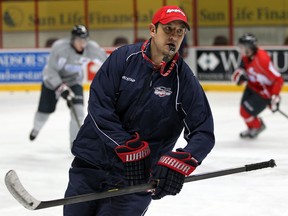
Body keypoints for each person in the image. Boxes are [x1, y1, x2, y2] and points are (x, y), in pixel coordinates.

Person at [64, 6, 215, 216]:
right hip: (91, 165)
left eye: (180, 32)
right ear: (153, 30)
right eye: (169, 29)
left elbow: (203, 132)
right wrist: (126, 145)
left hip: (135, 178)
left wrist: (181, 160)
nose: (174, 36)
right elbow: (99, 105)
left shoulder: (185, 81)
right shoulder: (123, 58)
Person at [29, 25, 108, 147]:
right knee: (44, 112)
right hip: (52, 82)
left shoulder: (92, 49)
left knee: (78, 112)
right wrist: (60, 87)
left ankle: (74, 143)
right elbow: (51, 71)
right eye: (79, 40)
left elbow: (108, 62)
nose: (82, 43)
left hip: (74, 81)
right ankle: (36, 128)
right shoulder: (60, 48)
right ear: (72, 39)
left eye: (84, 40)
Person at [232, 33, 284, 138]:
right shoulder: (246, 55)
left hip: (263, 93)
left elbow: (278, 79)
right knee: (243, 112)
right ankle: (252, 128)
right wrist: (240, 78)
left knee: (246, 112)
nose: (240, 49)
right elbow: (242, 70)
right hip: (251, 86)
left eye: (242, 47)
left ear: (249, 48)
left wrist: (274, 96)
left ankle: (258, 126)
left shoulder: (262, 59)